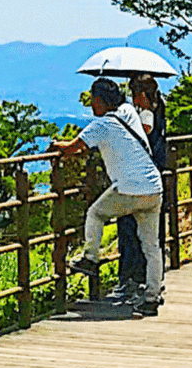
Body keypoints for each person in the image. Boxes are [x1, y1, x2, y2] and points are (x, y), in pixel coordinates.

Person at [56, 78, 164, 316]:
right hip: (153, 187)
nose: (92, 105)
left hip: (129, 189)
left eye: (94, 100)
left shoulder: (101, 125)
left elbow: (73, 147)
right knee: (151, 245)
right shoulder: (128, 112)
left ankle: (91, 257)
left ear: (99, 101)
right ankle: (152, 296)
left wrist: (56, 146)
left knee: (96, 213)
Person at [113, 75, 169, 303]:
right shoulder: (160, 110)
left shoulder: (146, 116)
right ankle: (152, 282)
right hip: (154, 181)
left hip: (137, 181)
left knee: (131, 231)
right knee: (152, 237)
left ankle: (133, 279)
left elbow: (141, 137)